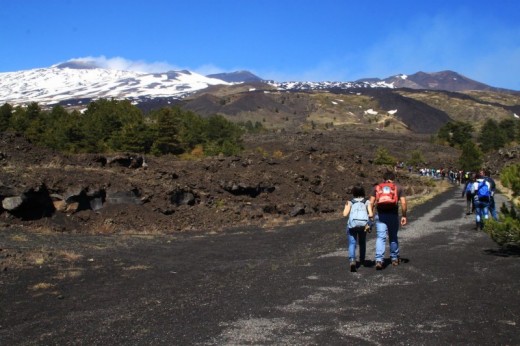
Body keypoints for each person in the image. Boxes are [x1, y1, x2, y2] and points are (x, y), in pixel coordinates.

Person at [369, 171, 407, 270]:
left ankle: (379, 260)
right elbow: (403, 203)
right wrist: (404, 216)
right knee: (393, 236)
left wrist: (370, 215)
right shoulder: (398, 187)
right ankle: (394, 258)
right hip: (393, 215)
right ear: (393, 178)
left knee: (381, 237)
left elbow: (371, 203)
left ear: (383, 178)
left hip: (381, 216)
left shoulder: (377, 187)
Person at [343, 184, 374, 272]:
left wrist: (347, 206)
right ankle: (362, 260)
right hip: (363, 225)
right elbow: (371, 214)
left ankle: (352, 261)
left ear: (353, 192)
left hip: (352, 225)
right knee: (362, 242)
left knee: (352, 243)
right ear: (363, 192)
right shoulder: (366, 202)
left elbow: (345, 214)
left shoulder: (350, 202)